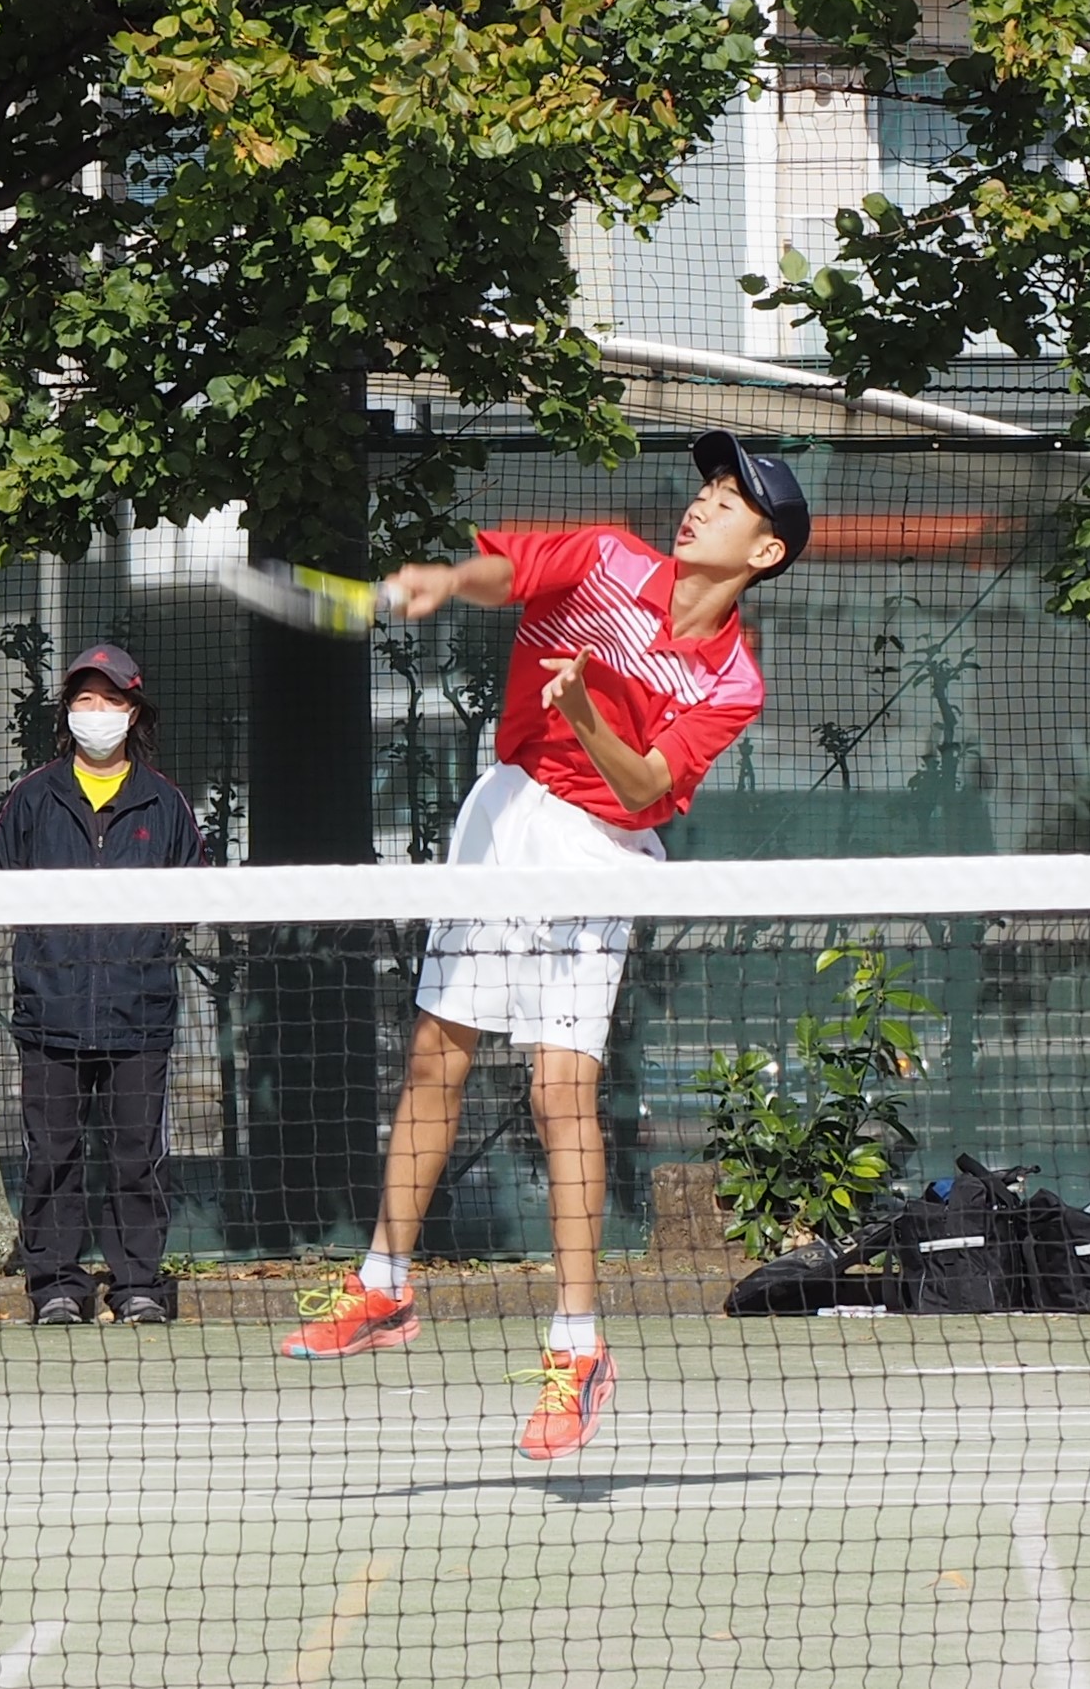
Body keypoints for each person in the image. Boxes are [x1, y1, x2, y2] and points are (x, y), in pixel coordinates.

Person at [278, 431, 808, 1460]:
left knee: (559, 1090)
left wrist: (584, 710)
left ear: (764, 552)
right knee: (436, 1054)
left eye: (730, 501)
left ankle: (577, 1346)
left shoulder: (733, 680)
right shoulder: (606, 557)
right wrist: (444, 582)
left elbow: (646, 786)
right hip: (508, 811)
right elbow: (509, 573)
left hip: (600, 849)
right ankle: (384, 1286)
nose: (703, 503)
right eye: (705, 487)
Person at [0, 645, 208, 1326]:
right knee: (51, 1155)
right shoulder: (31, 797)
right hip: (48, 1014)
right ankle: (55, 1285)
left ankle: (138, 1285)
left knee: (137, 1155)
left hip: (139, 1015)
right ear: (67, 713)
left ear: (133, 712)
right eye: (85, 699)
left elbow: (192, 896)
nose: (97, 712)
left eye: (110, 700)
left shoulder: (165, 802)